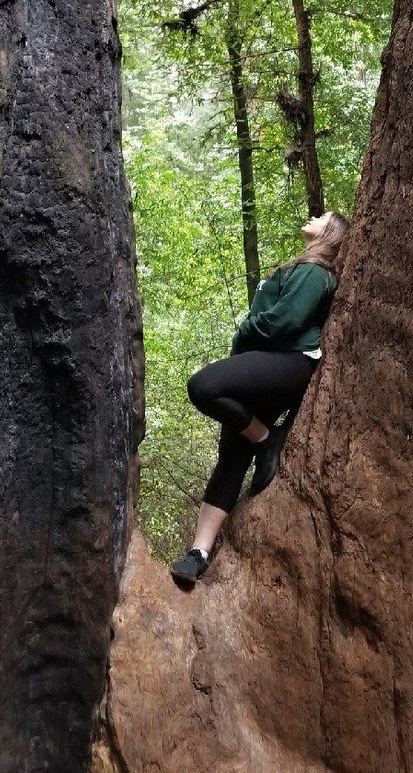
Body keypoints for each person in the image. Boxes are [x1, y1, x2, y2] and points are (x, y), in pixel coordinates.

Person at [169, 210, 349, 587]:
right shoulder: (302, 267)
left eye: (322, 216)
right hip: (267, 364)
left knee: (204, 386)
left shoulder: (315, 272)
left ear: (330, 232)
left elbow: (284, 322)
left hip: (289, 362)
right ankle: (198, 554)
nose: (313, 216)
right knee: (230, 459)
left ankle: (266, 439)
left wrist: (243, 332)